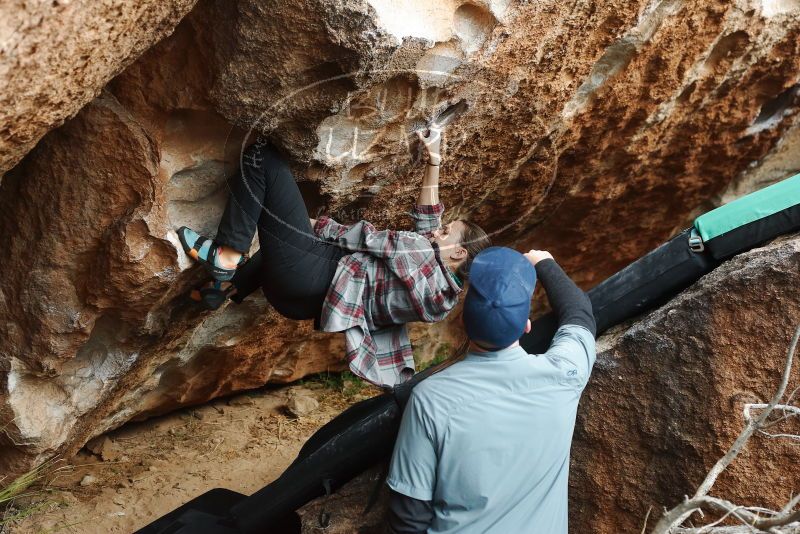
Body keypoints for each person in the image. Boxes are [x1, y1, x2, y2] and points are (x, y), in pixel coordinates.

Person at [176, 126, 491, 387]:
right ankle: (227, 290)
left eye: (447, 232)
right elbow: (428, 221)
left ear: (459, 253)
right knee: (290, 244)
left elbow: (364, 238)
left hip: (306, 273)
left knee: (264, 157)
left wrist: (309, 224)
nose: (438, 232)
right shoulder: (440, 294)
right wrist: (433, 160)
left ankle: (226, 253)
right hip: (301, 303)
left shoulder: (420, 253)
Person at [385, 246, 597, 533]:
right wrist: (544, 262)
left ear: (461, 322)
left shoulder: (430, 399)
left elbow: (409, 515)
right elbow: (580, 315)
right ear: (526, 326)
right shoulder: (564, 375)